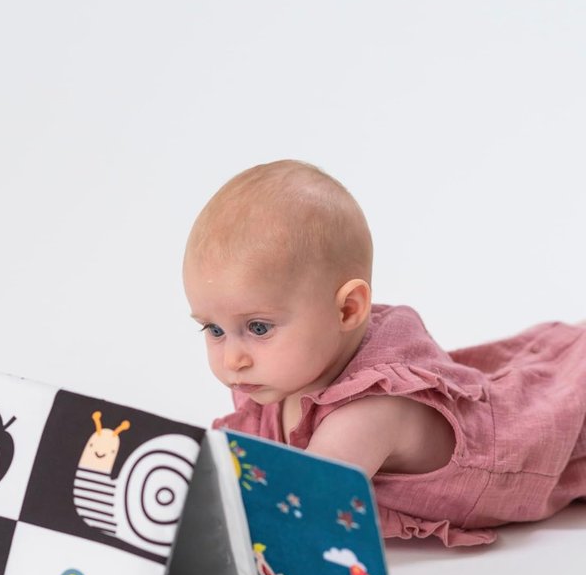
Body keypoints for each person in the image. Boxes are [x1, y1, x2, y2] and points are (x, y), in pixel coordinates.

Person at [182, 159, 586, 547]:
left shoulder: (368, 413)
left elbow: (305, 511)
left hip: (555, 434)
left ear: (348, 310)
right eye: (214, 329)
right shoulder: (280, 377)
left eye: (258, 328)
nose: (233, 359)